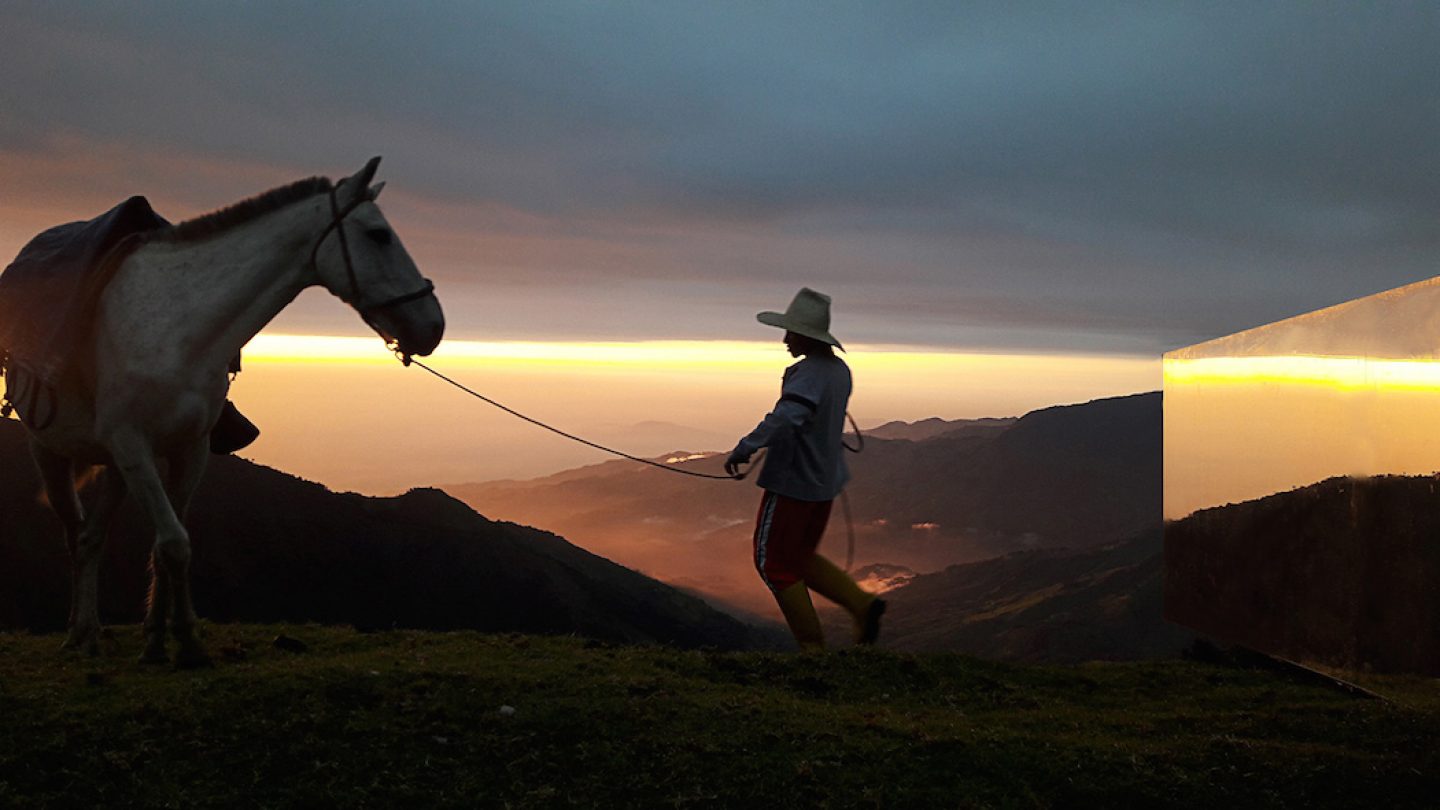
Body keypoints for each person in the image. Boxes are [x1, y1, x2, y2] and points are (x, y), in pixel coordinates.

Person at [725, 288, 885, 650]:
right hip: (824, 483)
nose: (784, 339)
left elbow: (787, 417)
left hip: (794, 483)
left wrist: (746, 447)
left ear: (804, 336)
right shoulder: (838, 371)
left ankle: (812, 650)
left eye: (790, 332)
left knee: (773, 565)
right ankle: (862, 604)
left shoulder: (809, 373)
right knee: (798, 556)